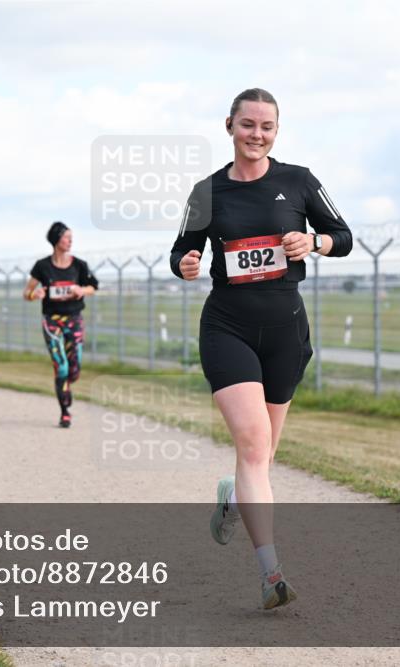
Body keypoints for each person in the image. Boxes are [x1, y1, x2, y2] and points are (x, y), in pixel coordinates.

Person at [170, 88, 353, 610]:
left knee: (262, 458)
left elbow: (342, 235)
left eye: (266, 126)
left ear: (277, 131)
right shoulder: (207, 191)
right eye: (247, 124)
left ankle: (232, 496)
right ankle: (272, 574)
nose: (256, 134)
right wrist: (184, 263)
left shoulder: (298, 180)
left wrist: (312, 242)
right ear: (229, 125)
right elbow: (182, 250)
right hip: (227, 327)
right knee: (253, 446)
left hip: (285, 331)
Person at [23, 222, 98, 428]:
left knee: (74, 369)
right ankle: (65, 411)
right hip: (51, 321)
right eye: (66, 237)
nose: (70, 240)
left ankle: (67, 384)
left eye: (71, 237)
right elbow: (26, 293)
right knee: (61, 367)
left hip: (74, 319)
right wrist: (34, 294)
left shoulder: (79, 265)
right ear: (56, 240)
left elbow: (94, 286)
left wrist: (82, 290)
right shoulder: (42, 266)